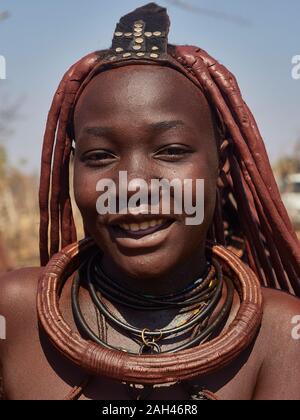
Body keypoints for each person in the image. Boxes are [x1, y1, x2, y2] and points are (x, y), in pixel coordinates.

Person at [1, 3, 300, 401]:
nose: (134, 185)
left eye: (172, 150)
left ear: (221, 164)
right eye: (100, 156)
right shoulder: (17, 314)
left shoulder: (280, 336)